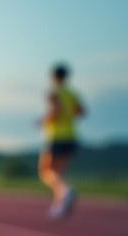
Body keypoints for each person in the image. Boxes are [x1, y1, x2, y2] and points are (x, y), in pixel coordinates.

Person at [39, 62, 85, 220]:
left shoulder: (54, 92)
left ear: (53, 77)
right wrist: (68, 115)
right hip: (71, 135)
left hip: (56, 135)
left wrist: (43, 121)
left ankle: (65, 191)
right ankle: (59, 206)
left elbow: (55, 111)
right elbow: (81, 112)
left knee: (46, 171)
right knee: (59, 172)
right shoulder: (72, 93)